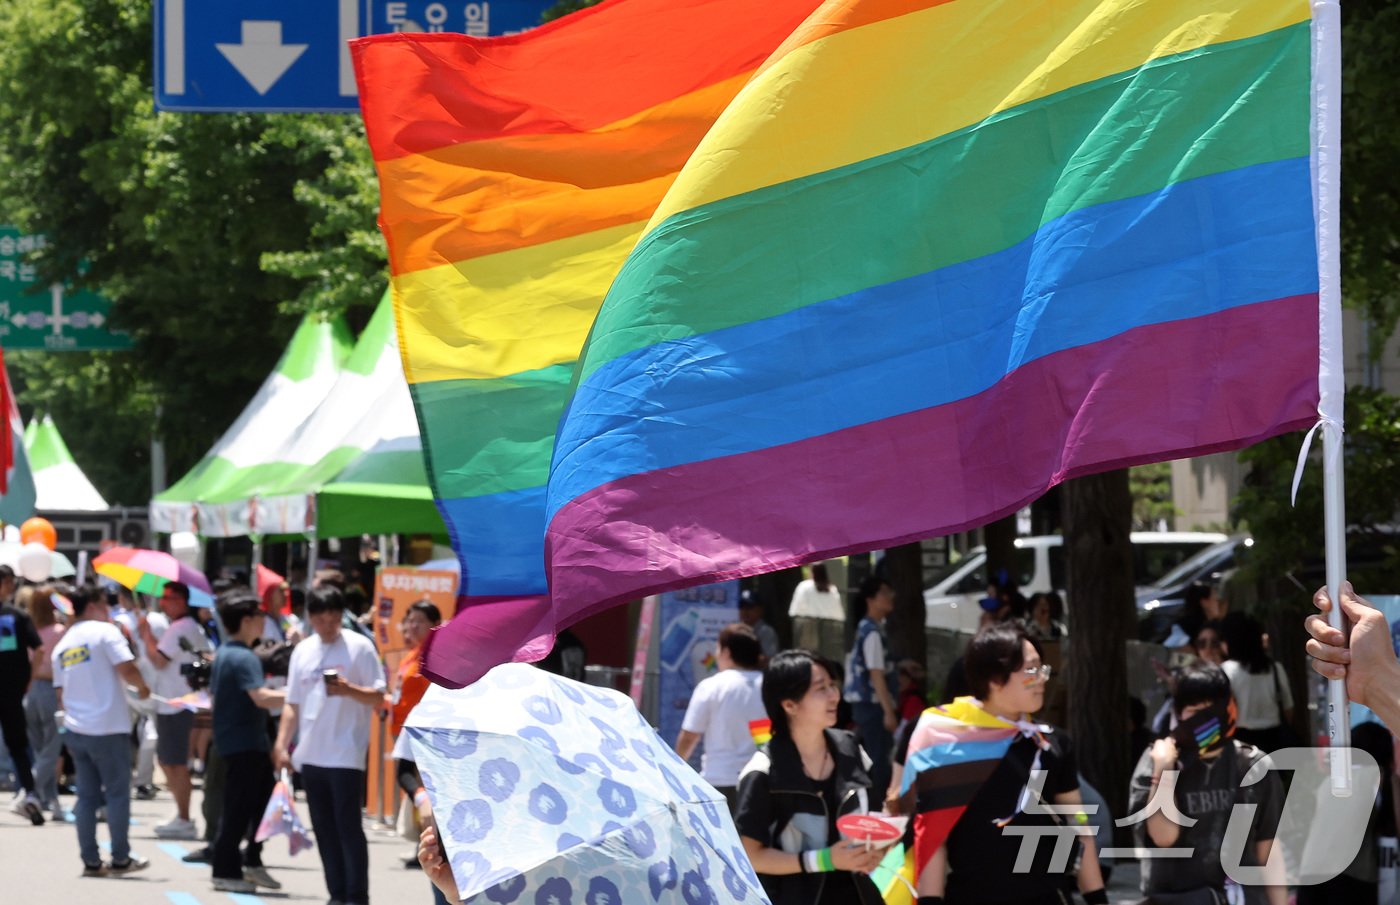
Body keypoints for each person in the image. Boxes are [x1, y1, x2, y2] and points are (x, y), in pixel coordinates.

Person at [907, 622, 1106, 905]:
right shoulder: (947, 744)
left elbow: (1077, 823)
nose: (1042, 679)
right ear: (995, 678)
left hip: (1048, 896)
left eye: (1042, 669)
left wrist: (1096, 898)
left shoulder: (1050, 743)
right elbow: (934, 838)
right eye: (1030, 670)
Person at [734, 649, 885, 904]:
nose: (834, 695)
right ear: (789, 705)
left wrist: (877, 850)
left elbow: (874, 819)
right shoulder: (763, 772)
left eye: (832, 685)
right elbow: (750, 855)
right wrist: (824, 860)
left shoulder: (852, 750)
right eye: (821, 688)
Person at [1129, 662, 1286, 905]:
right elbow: (1163, 837)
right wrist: (1164, 769)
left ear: (1229, 708)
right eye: (1194, 711)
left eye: (1212, 710)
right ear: (1178, 713)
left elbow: (1269, 852)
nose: (1203, 720)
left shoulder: (1254, 766)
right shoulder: (1155, 762)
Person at [274, 586, 386, 905]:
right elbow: (292, 703)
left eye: (334, 618)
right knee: (323, 828)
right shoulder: (303, 650)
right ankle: (336, 894)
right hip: (311, 754)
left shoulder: (360, 647)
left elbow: (378, 696)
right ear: (310, 618)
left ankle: (357, 896)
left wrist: (349, 690)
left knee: (348, 827)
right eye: (321, 619)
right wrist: (282, 745)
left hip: (346, 753)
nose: (328, 625)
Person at [51, 584, 152, 877]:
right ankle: (120, 858)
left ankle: (91, 861)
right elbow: (127, 668)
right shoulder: (105, 632)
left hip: (77, 729)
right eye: (104, 604)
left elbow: (60, 692)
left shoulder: (63, 644)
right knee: (117, 794)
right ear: (93, 605)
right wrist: (143, 688)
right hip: (108, 727)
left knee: (86, 796)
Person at [209, 591, 286, 893]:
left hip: (243, 743)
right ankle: (225, 870)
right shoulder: (244, 656)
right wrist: (300, 693)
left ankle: (252, 861)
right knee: (238, 810)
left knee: (261, 805)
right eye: (259, 615)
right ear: (245, 620)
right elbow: (261, 697)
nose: (263, 621)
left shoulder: (226, 652)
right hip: (244, 745)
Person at [137, 580, 212, 839]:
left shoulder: (180, 627)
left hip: (177, 704)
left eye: (169, 597)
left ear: (182, 602)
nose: (164, 602)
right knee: (169, 761)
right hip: (178, 702)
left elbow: (158, 660)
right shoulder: (186, 626)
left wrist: (146, 635)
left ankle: (184, 817)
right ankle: (182, 813)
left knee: (174, 762)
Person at [675, 623, 768, 812]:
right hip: (761, 778)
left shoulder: (711, 686)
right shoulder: (768, 686)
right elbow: (765, 735)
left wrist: (675, 770)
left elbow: (690, 736)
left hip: (719, 779)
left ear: (726, 652)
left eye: (718, 649)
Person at [844, 576, 898, 803]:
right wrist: (888, 712)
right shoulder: (872, 632)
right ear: (871, 599)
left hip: (867, 706)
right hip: (873, 707)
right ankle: (876, 806)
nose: (890, 597)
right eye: (884, 592)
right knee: (879, 761)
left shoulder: (868, 628)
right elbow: (876, 674)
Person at [0, 566, 45, 824]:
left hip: (12, 689)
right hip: (11, 690)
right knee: (18, 746)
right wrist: (30, 677)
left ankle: (29, 793)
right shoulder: (17, 616)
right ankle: (30, 794)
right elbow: (39, 649)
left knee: (18, 745)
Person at [22, 586, 68, 821]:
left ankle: (51, 801)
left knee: (42, 750)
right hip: (51, 690)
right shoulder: (60, 631)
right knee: (51, 749)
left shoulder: (29, 630)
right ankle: (27, 793)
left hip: (31, 691)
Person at [1218, 612, 1294, 752]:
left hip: (1240, 740)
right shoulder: (1275, 668)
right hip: (1274, 739)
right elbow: (1288, 709)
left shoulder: (1226, 670)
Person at [739, 590, 781, 662]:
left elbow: (771, 659)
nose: (745, 611)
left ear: (760, 610)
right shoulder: (735, 630)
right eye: (741, 607)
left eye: (749, 607)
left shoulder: (766, 631)